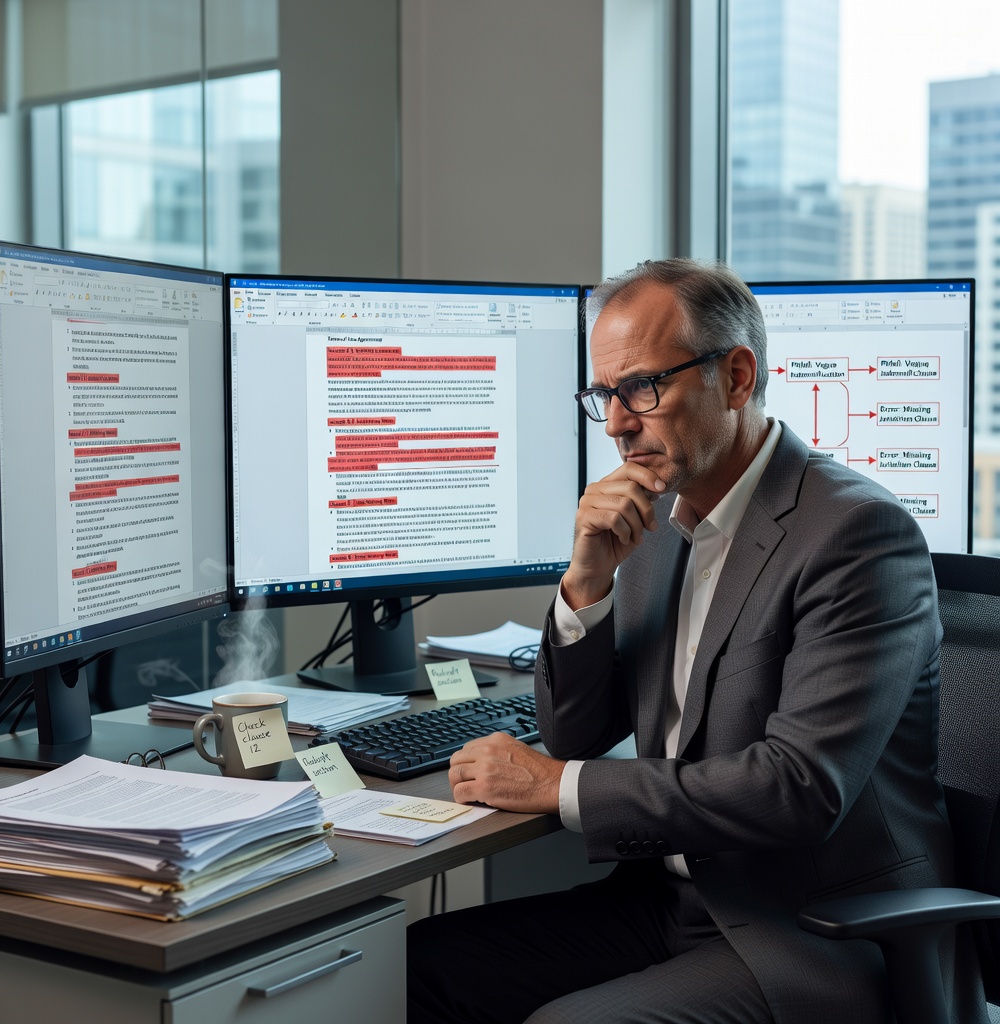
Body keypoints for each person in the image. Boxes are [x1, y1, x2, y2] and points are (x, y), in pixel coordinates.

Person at [407, 258, 986, 1024]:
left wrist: (557, 785)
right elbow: (574, 731)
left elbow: (797, 787)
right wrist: (586, 586)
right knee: (420, 968)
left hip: (811, 928)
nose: (616, 422)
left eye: (642, 387)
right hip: (666, 901)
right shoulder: (654, 520)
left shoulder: (856, 534)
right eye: (604, 395)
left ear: (737, 377)